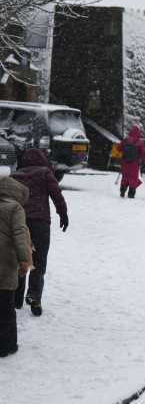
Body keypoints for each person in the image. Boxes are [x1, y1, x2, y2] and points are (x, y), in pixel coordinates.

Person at [10, 149, 68, 317]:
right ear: (42, 159)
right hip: (41, 223)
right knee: (39, 261)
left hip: (20, 222)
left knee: (20, 259)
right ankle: (34, 296)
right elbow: (56, 195)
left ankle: (16, 299)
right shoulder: (45, 172)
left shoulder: (16, 176)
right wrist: (63, 214)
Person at [0, 177, 29, 357]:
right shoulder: (15, 208)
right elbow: (19, 232)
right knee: (6, 306)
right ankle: (6, 345)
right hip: (6, 260)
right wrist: (23, 258)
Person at [116, 126, 145, 199]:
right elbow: (143, 154)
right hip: (134, 163)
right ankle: (131, 193)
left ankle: (122, 191)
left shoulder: (126, 140)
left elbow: (118, 148)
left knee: (125, 176)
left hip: (125, 162)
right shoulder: (139, 143)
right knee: (133, 178)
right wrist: (144, 163)